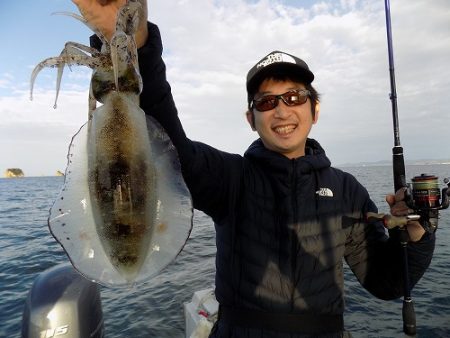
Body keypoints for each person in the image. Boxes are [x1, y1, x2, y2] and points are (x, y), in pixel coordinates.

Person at [73, 1, 436, 336]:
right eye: (266, 101)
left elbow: (386, 283)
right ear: (251, 118)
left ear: (315, 110)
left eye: (295, 97)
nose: (281, 110)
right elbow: (169, 145)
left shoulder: (347, 190)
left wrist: (418, 236)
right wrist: (131, 43)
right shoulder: (230, 178)